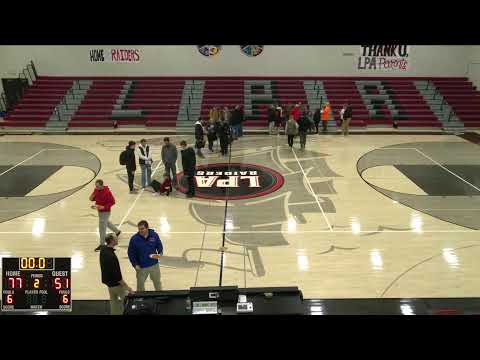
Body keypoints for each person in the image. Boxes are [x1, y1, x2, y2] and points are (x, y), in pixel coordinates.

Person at [100, 233, 133, 315]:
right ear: (111, 241)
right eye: (116, 238)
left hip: (108, 283)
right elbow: (118, 277)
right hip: (116, 285)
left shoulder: (103, 250)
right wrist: (128, 288)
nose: (117, 239)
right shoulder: (112, 257)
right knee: (128, 301)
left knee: (113, 302)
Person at [128, 220, 163, 292]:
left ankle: (160, 295)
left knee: (157, 282)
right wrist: (135, 264)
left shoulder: (154, 235)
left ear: (147, 228)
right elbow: (130, 253)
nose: (140, 231)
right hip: (141, 267)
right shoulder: (134, 239)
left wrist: (159, 254)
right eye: (139, 229)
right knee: (140, 285)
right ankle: (140, 298)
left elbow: (159, 246)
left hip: (154, 265)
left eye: (142, 229)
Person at [89, 179, 121, 252]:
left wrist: (103, 207)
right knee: (106, 223)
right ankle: (117, 231)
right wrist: (92, 197)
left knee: (102, 228)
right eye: (96, 186)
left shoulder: (107, 192)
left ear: (101, 185)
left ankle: (102, 244)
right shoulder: (96, 190)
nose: (96, 187)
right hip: (99, 211)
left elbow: (112, 202)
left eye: (97, 186)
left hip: (106, 211)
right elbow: (93, 198)